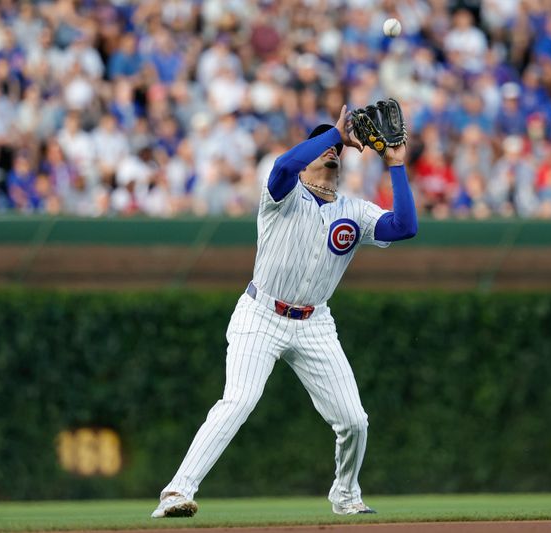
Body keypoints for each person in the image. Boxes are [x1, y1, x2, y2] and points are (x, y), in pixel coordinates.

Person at [151, 104, 417, 519]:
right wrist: (335, 133)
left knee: (354, 421)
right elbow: (282, 163)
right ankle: (176, 492)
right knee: (238, 401)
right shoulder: (281, 194)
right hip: (260, 315)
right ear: (307, 157)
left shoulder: (355, 210)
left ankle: (345, 495)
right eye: (320, 146)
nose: (330, 152)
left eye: (335, 149)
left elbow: (405, 226)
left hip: (315, 323)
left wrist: (396, 165)